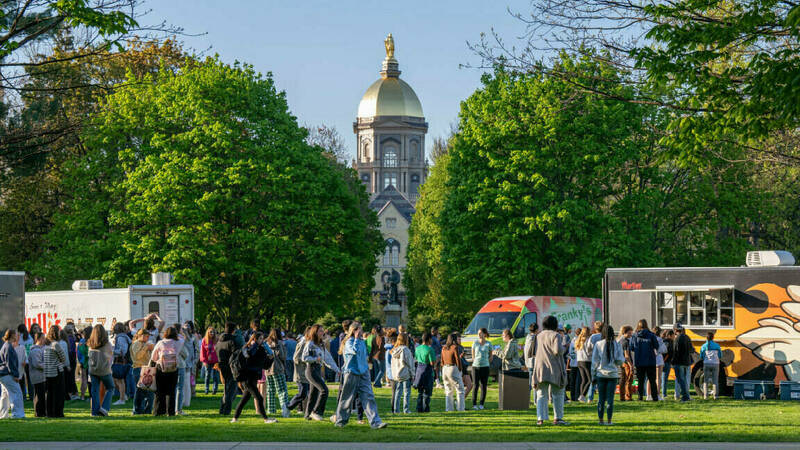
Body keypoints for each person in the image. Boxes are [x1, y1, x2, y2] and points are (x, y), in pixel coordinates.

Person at [332, 321, 387, 428]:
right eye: (359, 329)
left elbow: (363, 355)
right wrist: (356, 339)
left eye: (361, 329)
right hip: (351, 372)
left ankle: (375, 422)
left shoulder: (362, 341)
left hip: (364, 372)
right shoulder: (349, 342)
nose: (361, 331)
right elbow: (354, 350)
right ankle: (340, 421)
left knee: (369, 397)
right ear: (354, 330)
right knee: (347, 398)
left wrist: (366, 367)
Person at [231, 332, 277, 424]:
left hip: (254, 378)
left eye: (262, 339)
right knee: (259, 398)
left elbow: (265, 366)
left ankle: (235, 418)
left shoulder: (261, 350)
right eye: (259, 339)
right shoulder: (247, 348)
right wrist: (254, 345)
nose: (261, 341)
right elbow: (247, 355)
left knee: (245, 399)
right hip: (247, 378)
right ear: (254, 339)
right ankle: (265, 419)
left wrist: (271, 358)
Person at [531, 315, 569, 426]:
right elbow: (557, 351)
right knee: (558, 394)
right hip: (554, 368)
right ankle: (558, 418)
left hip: (540, 368)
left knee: (541, 394)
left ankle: (540, 419)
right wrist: (565, 347)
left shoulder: (538, 336)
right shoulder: (556, 335)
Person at [150, 326, 187, 416]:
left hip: (161, 368)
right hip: (173, 368)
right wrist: (180, 332)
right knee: (171, 391)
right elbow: (183, 338)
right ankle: (170, 411)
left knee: (160, 391)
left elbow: (153, 357)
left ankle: (158, 411)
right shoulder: (179, 342)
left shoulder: (160, 342)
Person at [592, 325, 623, 425]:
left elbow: (594, 361)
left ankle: (600, 420)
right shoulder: (617, 344)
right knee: (610, 399)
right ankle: (609, 421)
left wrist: (593, 374)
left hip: (601, 374)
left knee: (601, 399)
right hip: (612, 375)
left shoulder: (598, 344)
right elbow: (620, 360)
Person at [302, 324, 330, 421]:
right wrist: (315, 359)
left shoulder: (321, 344)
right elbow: (304, 358)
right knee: (324, 390)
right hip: (311, 370)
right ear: (315, 332)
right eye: (320, 331)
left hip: (317, 370)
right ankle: (316, 412)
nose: (323, 333)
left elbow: (327, 358)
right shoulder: (310, 343)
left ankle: (307, 415)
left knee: (313, 394)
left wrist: (337, 369)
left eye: (323, 331)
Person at [87, 324, 114, 417]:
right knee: (110, 388)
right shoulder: (107, 344)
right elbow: (110, 357)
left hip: (93, 369)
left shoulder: (90, 343)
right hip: (104, 370)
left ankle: (94, 412)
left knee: (95, 391)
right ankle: (104, 408)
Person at [630, 319, 659, 402]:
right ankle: (655, 397)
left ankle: (640, 397)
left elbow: (631, 347)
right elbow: (656, 346)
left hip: (639, 361)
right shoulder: (651, 335)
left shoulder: (635, 336)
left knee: (640, 380)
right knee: (652, 380)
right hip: (650, 361)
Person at [264, 327, 291, 418]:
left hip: (268, 369)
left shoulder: (266, 343)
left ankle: (271, 409)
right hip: (278, 368)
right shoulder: (279, 343)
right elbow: (283, 356)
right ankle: (285, 409)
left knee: (270, 390)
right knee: (282, 390)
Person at [216, 322, 241, 415]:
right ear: (233, 330)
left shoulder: (219, 341)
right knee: (231, 390)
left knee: (227, 388)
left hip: (222, 365)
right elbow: (236, 354)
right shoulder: (232, 341)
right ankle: (226, 409)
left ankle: (222, 408)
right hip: (231, 366)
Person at [0, 329, 25, 419]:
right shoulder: (8, 347)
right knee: (16, 393)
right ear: (12, 335)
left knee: (5, 396)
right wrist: (15, 375)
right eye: (16, 335)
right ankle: (17, 414)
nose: (17, 337)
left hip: (3, 374)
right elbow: (10, 363)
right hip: (8, 374)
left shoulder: (6, 346)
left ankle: (3, 415)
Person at [131, 328, 155, 414]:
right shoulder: (136, 343)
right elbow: (137, 356)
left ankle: (147, 410)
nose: (148, 338)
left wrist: (151, 349)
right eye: (147, 336)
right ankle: (137, 410)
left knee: (149, 391)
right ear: (141, 336)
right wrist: (146, 347)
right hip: (138, 368)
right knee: (140, 391)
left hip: (146, 369)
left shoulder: (144, 343)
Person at [286, 327, 310, 413]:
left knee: (305, 392)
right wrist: (306, 360)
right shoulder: (302, 343)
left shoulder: (309, 343)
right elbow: (295, 358)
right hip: (300, 373)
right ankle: (288, 406)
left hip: (307, 372)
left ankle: (304, 410)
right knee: (302, 393)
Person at [390, 332, 414, 414]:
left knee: (398, 392)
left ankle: (396, 410)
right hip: (405, 373)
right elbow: (409, 363)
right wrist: (412, 374)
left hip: (397, 374)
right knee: (406, 392)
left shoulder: (394, 350)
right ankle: (406, 409)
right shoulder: (405, 350)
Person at [441, 333, 466, 412]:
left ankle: (449, 409)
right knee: (460, 389)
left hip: (444, 368)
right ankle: (461, 409)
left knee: (448, 390)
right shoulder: (454, 347)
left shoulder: (444, 348)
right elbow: (457, 360)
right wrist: (460, 370)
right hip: (452, 368)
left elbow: (442, 361)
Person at [413, 332, 436, 413]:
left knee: (420, 392)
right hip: (427, 371)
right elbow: (432, 363)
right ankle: (425, 408)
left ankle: (418, 408)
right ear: (429, 339)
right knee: (427, 392)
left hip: (419, 371)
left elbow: (416, 358)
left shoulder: (417, 348)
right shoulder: (430, 349)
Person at [471, 328, 492, 410]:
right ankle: (474, 404)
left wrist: (486, 362)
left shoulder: (489, 344)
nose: (479, 335)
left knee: (483, 386)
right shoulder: (475, 343)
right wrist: (476, 362)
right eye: (478, 333)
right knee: (475, 385)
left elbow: (491, 356)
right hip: (475, 367)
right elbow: (473, 355)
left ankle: (481, 404)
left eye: (480, 333)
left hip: (485, 367)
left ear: (485, 334)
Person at [111, 322, 132, 406]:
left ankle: (122, 399)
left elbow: (123, 351)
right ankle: (124, 396)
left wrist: (111, 351)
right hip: (123, 362)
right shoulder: (123, 337)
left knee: (119, 380)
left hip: (121, 361)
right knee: (116, 379)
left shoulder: (121, 338)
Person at [672, 324, 692, 402]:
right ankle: (687, 395)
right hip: (687, 361)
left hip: (679, 362)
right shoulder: (687, 337)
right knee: (685, 380)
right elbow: (691, 349)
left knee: (680, 380)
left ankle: (685, 396)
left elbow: (675, 352)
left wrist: (673, 362)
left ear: (675, 330)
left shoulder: (677, 339)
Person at [28, 332, 46, 417]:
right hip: (38, 376)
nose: (44, 340)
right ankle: (39, 413)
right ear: (38, 339)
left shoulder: (39, 349)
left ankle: (40, 412)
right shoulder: (35, 350)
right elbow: (37, 364)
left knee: (40, 395)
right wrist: (47, 366)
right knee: (39, 396)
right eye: (43, 338)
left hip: (40, 376)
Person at [700, 331, 722, 399]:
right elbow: (720, 355)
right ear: (713, 338)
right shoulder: (717, 346)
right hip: (715, 364)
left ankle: (705, 396)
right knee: (715, 380)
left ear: (706, 338)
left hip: (706, 363)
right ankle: (715, 396)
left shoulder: (703, 346)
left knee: (705, 380)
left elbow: (701, 356)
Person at [200, 327, 220, 395]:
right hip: (207, 361)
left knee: (215, 376)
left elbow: (219, 351)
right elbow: (202, 352)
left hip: (215, 361)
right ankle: (206, 389)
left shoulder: (217, 340)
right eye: (210, 332)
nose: (212, 333)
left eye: (213, 332)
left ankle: (215, 389)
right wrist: (204, 361)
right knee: (207, 375)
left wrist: (218, 361)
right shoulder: (204, 340)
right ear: (208, 333)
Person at [16, 324, 32, 402]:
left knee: (21, 379)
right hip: (29, 360)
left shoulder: (19, 338)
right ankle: (32, 395)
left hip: (21, 361)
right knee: (29, 379)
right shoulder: (29, 337)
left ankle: (23, 396)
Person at [575, 327, 592, 402]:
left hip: (579, 361)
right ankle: (583, 395)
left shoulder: (578, 339)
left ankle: (581, 396)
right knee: (590, 380)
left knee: (584, 380)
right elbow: (589, 350)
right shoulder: (588, 340)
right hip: (586, 360)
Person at [617, 325, 634, 401]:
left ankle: (622, 396)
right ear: (625, 332)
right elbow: (626, 355)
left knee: (622, 379)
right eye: (629, 333)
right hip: (626, 363)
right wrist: (631, 365)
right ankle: (628, 396)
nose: (631, 335)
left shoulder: (619, 340)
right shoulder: (625, 341)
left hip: (621, 362)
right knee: (628, 380)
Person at [76, 326, 91, 401]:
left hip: (83, 362)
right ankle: (92, 395)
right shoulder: (92, 341)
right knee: (91, 380)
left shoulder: (82, 341)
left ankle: (82, 396)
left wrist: (80, 360)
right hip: (91, 362)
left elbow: (79, 353)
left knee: (84, 379)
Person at [383, 330, 397, 412]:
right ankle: (393, 409)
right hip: (393, 373)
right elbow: (389, 363)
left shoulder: (388, 349)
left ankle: (394, 408)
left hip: (391, 373)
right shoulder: (390, 350)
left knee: (395, 392)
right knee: (394, 393)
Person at [661, 329, 675, 400]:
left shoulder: (663, 341)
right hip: (666, 362)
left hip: (661, 362)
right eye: (673, 335)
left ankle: (662, 393)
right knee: (664, 379)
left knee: (661, 378)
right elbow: (668, 353)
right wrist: (664, 361)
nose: (674, 337)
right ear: (670, 335)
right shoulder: (670, 342)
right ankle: (664, 394)